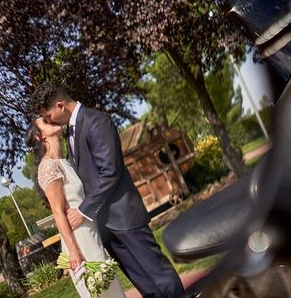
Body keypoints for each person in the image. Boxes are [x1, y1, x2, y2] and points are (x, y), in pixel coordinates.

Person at [30, 82, 185, 298]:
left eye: (49, 115)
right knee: (142, 281)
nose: (50, 120)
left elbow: (110, 171)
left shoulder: (96, 121)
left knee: (158, 273)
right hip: (103, 226)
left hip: (124, 216)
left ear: (60, 106)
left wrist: (83, 210)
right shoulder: (69, 135)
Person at [26, 118, 127, 298]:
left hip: (90, 231)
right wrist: (73, 251)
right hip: (79, 239)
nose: (50, 119)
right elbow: (57, 212)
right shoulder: (48, 166)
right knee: (102, 292)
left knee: (111, 289)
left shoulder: (63, 161)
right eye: (45, 122)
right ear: (39, 136)